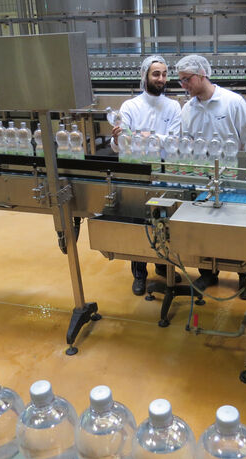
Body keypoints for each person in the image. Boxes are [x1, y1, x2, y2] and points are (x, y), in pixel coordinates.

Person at [175, 54, 246, 301]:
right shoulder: (187, 109)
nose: (184, 85)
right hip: (203, 178)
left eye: (187, 79)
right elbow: (186, 143)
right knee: (205, 227)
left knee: (239, 229)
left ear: (202, 75)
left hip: (234, 178)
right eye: (180, 81)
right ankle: (208, 272)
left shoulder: (232, 102)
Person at [111, 55, 181, 296]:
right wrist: (119, 137)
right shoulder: (130, 106)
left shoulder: (173, 106)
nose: (161, 79)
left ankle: (163, 265)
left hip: (163, 171)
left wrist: (143, 136)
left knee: (164, 220)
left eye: (164, 74)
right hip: (137, 173)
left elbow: (174, 142)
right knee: (139, 220)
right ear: (145, 76)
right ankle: (139, 273)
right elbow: (120, 144)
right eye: (156, 74)